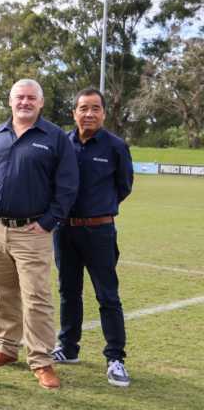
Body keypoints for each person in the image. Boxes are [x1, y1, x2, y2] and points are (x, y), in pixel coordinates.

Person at [0, 78, 78, 389]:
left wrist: (50, 220)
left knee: (36, 297)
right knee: (2, 291)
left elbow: (67, 184)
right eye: (19, 97)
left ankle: (41, 360)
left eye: (30, 98)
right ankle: (7, 348)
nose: (24, 102)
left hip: (33, 230)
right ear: (10, 101)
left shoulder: (54, 138)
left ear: (41, 102)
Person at [52, 88, 133, 387]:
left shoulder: (115, 146)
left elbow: (123, 186)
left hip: (99, 231)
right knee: (68, 291)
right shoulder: (62, 143)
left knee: (107, 296)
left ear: (103, 113)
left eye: (95, 108)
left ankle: (115, 358)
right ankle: (69, 348)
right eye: (83, 108)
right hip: (65, 230)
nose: (89, 114)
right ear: (74, 112)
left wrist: (98, 211)